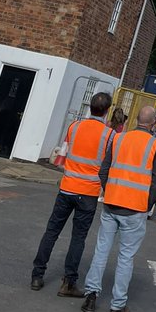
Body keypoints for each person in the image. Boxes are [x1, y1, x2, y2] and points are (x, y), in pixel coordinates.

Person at [80, 106, 156, 312]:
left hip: (112, 203)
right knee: (126, 257)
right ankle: (117, 305)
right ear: (153, 123)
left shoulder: (119, 138)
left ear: (136, 120)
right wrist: (147, 205)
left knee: (101, 251)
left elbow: (104, 170)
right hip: (135, 208)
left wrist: (110, 190)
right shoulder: (155, 144)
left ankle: (91, 296)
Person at [30, 91, 114, 296]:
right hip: (89, 192)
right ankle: (68, 283)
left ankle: (37, 275)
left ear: (90, 107)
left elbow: (65, 152)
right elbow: (108, 164)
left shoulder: (74, 127)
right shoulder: (110, 135)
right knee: (78, 238)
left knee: (52, 231)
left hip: (67, 187)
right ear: (107, 110)